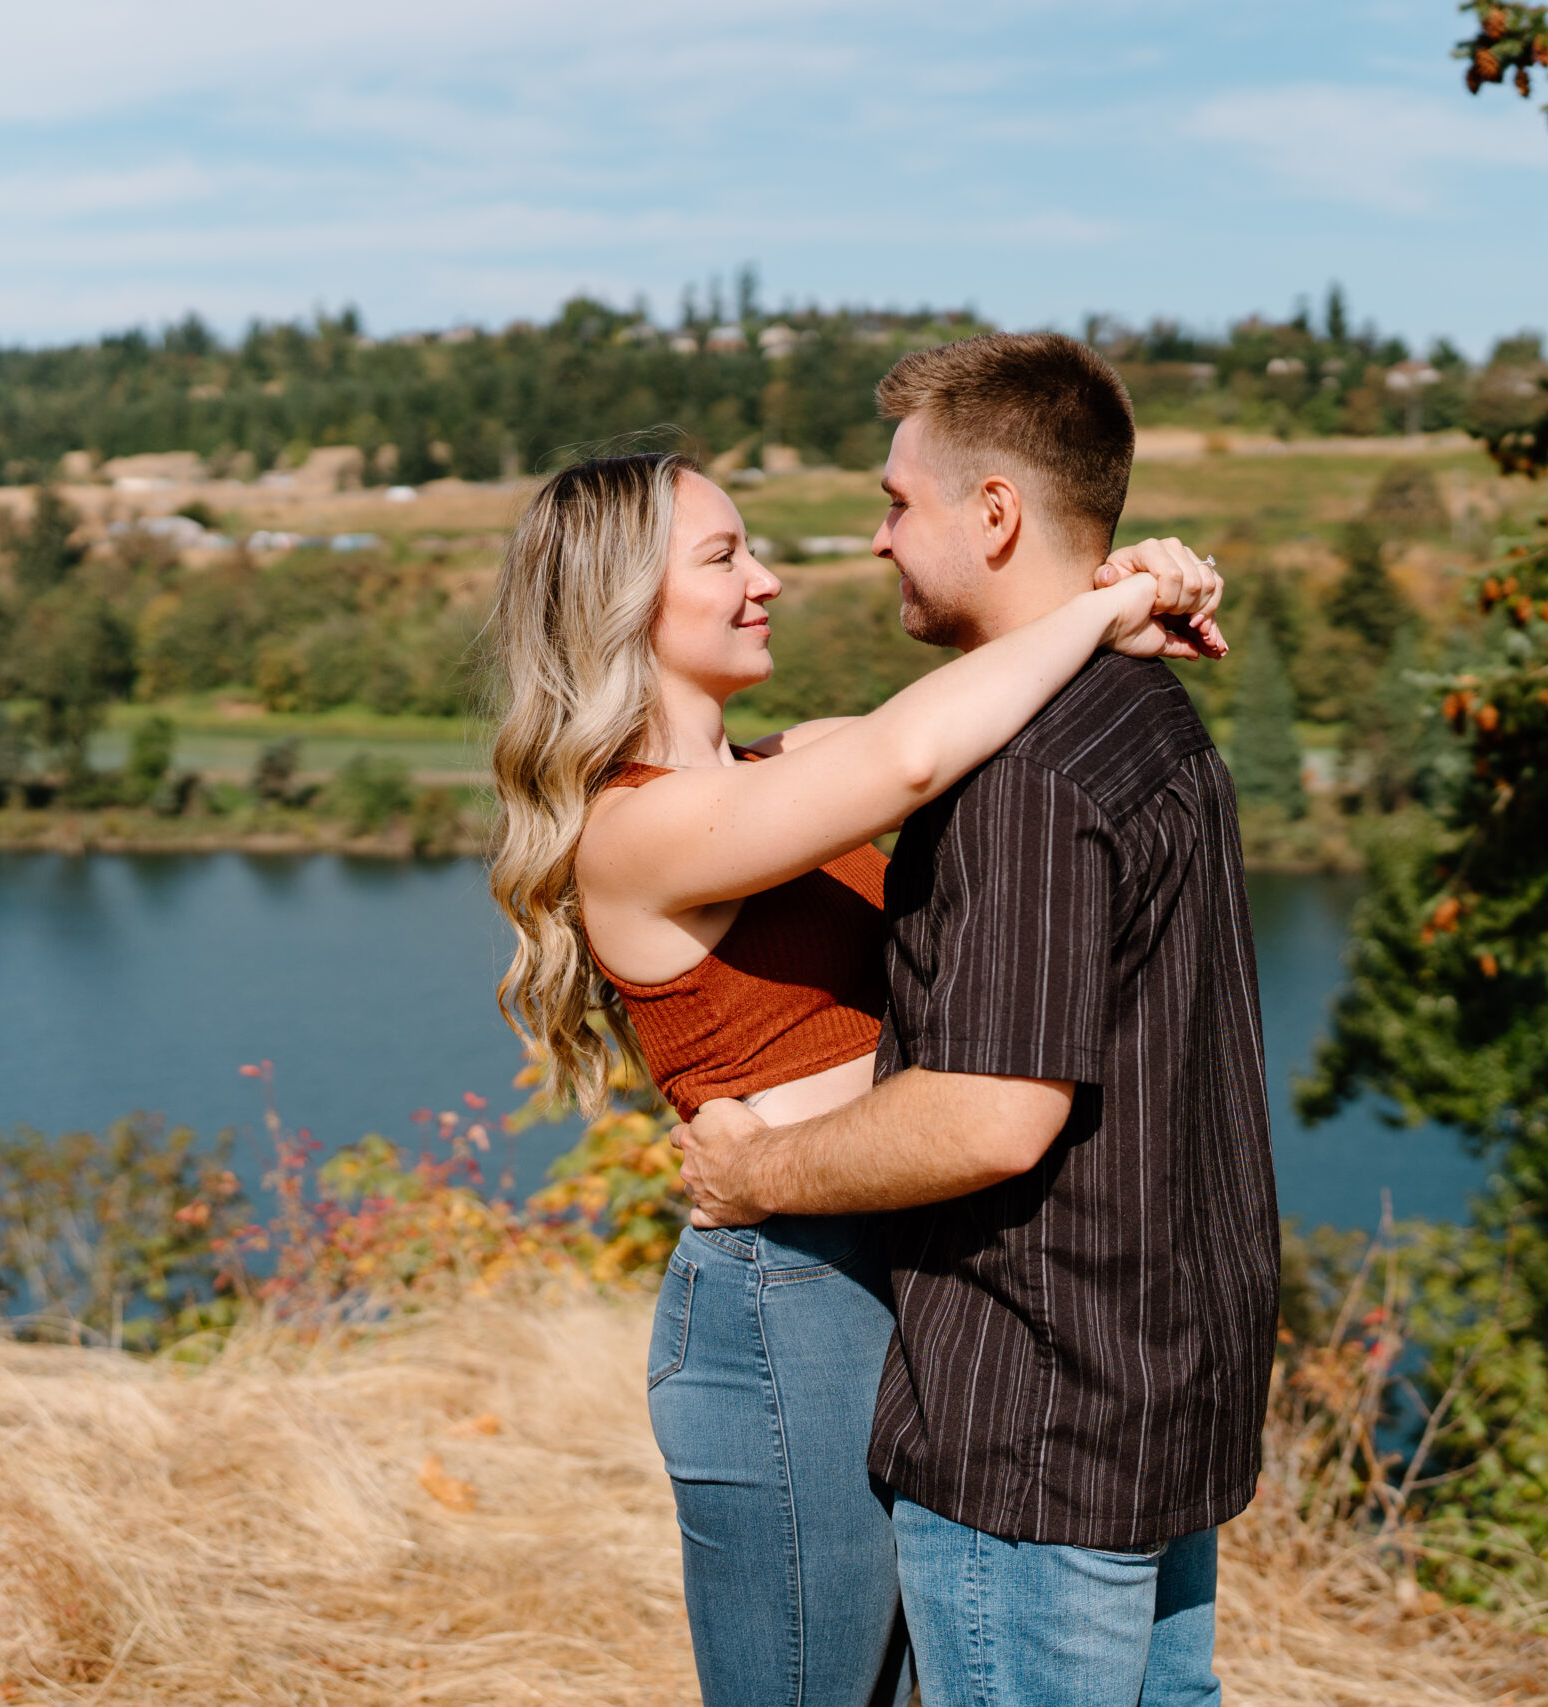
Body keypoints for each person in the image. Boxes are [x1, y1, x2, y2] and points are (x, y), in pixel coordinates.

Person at [486, 444, 1227, 1707]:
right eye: (723, 558)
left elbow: (977, 715)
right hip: (790, 1309)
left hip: (918, 1284)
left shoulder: (783, 768)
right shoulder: (637, 830)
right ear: (620, 606)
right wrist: (1105, 608)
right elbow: (910, 760)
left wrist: (1130, 586)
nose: (767, 578)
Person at [674, 333, 1281, 1707]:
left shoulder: (1025, 777)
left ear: (994, 512)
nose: (879, 539)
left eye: (900, 502)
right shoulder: (1149, 714)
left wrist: (751, 1170)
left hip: (1037, 1427)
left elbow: (990, 1111)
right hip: (1165, 1396)